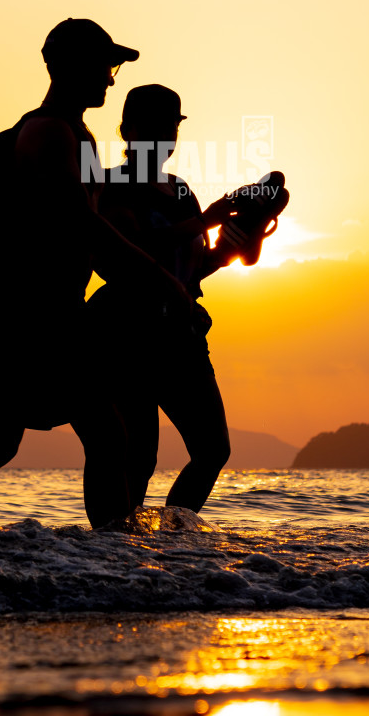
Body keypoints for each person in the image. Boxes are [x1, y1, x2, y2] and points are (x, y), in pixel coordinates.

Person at [0, 21, 188, 528]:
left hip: (53, 313)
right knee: (95, 436)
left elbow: (91, 236)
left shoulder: (77, 134)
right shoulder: (47, 133)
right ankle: (112, 556)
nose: (111, 81)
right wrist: (162, 278)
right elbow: (79, 222)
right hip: (34, 316)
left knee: (2, 441)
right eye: (104, 66)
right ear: (67, 66)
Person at [86, 84, 239, 514]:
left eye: (170, 127)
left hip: (182, 333)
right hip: (125, 333)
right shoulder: (110, 187)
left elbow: (187, 271)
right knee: (137, 458)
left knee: (212, 450)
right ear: (127, 131)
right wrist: (205, 221)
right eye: (152, 126)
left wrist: (226, 252)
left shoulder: (182, 191)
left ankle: (172, 541)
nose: (164, 136)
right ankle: (112, 551)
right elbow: (128, 250)